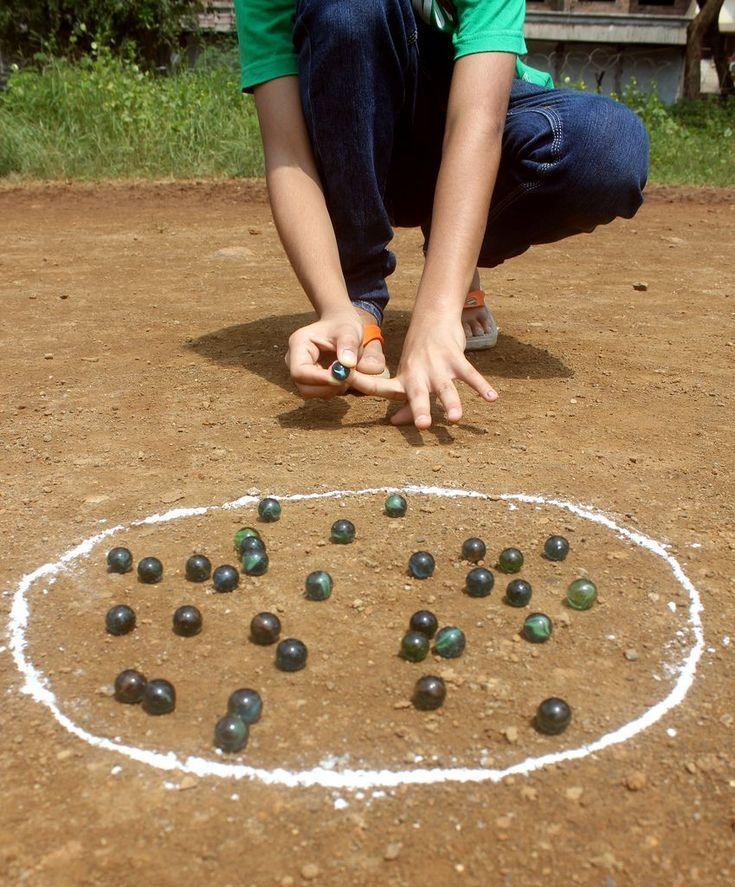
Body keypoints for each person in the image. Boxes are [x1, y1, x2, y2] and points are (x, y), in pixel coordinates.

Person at [234, 0, 649, 429]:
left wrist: (437, 312)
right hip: (356, 147)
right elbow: (288, 153)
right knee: (348, 8)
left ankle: (452, 259)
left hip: (471, 122)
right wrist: (334, 305)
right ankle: (357, 301)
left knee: (609, 146)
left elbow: (478, 120)